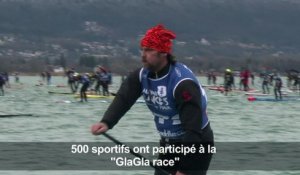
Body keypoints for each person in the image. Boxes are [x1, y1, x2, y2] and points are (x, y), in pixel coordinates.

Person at [91, 24, 214, 175]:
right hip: (169, 144)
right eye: (142, 49)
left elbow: (193, 130)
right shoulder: (141, 75)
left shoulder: (183, 84)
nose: (143, 55)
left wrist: (184, 169)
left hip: (196, 144)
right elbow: (124, 98)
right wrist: (106, 122)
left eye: (149, 50)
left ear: (163, 53)